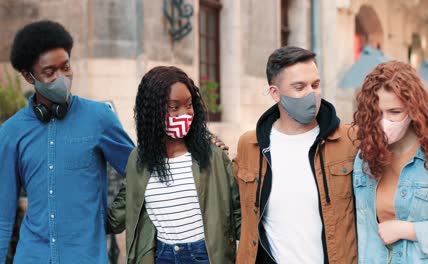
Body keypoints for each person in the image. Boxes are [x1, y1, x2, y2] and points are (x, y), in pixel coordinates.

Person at [0, 20, 134, 263]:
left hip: (87, 257)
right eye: (49, 72)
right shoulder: (10, 132)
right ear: (29, 77)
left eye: (66, 67)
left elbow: (140, 170)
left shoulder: (100, 118)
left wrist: (115, 217)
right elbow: (2, 212)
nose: (62, 77)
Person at [233, 46, 358, 263]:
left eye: (316, 85)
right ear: (275, 93)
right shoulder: (250, 145)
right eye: (299, 87)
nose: (311, 94)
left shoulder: (350, 141)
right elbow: (237, 214)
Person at [107, 66, 241, 264]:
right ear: (153, 111)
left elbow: (239, 214)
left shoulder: (213, 155)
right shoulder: (139, 160)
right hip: (161, 256)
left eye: (189, 105)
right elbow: (119, 214)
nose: (185, 113)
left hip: (206, 256)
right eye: (173, 107)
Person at [352, 60, 428, 263]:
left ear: (414, 110)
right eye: (377, 113)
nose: (384, 121)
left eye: (394, 112)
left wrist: (410, 230)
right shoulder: (364, 159)